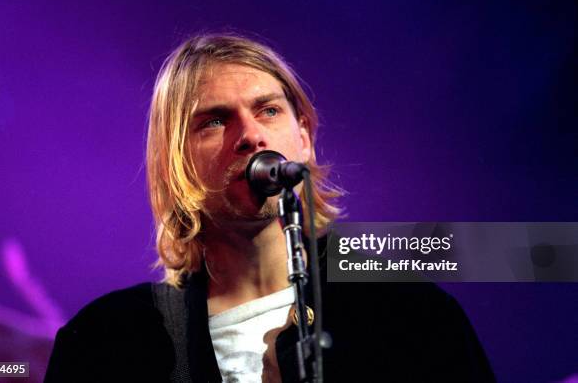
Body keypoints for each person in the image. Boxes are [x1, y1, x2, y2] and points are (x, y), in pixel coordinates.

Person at [45, 34, 495, 382]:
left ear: (304, 138)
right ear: (172, 163)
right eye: (215, 121)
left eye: (269, 111)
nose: (251, 135)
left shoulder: (409, 315)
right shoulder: (108, 343)